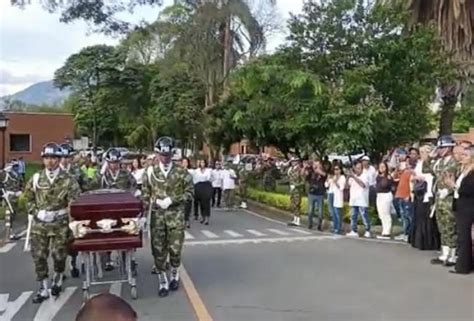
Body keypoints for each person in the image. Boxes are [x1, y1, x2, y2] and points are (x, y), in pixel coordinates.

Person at [23, 142, 81, 303]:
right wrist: (36, 212)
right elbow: (27, 199)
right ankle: (43, 287)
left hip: (60, 222)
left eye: (54, 158)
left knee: (59, 255)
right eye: (47, 158)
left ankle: (58, 277)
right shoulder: (36, 178)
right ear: (43, 160)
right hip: (40, 223)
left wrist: (71, 221)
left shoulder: (68, 179)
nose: (50, 161)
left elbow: (74, 201)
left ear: (59, 159)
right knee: (39, 256)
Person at [142, 136, 193, 297]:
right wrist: (142, 214)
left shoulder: (181, 172)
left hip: (175, 216)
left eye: (168, 155)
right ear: (157, 154)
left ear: (172, 155)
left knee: (175, 250)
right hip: (157, 216)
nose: (165, 158)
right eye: (162, 155)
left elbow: (190, 193)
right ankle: (163, 280)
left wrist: (173, 199)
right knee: (158, 251)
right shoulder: (150, 172)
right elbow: (145, 194)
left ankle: (174, 274)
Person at [94, 148, 136, 271]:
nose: (114, 165)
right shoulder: (102, 175)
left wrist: (130, 197)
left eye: (116, 162)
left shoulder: (125, 174)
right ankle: (107, 258)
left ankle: (128, 259)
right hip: (106, 210)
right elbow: (92, 187)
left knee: (125, 233)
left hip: (123, 209)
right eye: (111, 162)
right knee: (106, 233)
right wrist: (100, 174)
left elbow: (134, 187)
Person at [427, 136, 459, 266]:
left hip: (449, 198)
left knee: (451, 227)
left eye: (442, 148)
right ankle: (444, 253)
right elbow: (427, 169)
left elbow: (457, 180)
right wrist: (430, 157)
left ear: (449, 148)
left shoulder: (455, 162)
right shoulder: (439, 162)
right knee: (442, 226)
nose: (439, 150)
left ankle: (453, 255)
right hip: (439, 198)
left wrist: (449, 191)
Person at [60, 143, 88, 278]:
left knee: (73, 239)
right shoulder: (54, 172)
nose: (65, 160)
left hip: (75, 211)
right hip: (58, 212)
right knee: (59, 243)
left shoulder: (77, 171)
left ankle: (73, 263)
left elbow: (87, 185)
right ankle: (59, 270)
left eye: (68, 157)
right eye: (63, 157)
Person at [446, 146, 474, 274]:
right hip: (461, 205)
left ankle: (463, 266)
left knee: (464, 236)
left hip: (468, 207)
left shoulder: (472, 172)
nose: (462, 157)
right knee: (463, 236)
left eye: (466, 155)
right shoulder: (463, 170)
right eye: (462, 155)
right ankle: (465, 263)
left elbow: (468, 190)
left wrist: (453, 185)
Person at [410, 145, 440, 250]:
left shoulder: (432, 163)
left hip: (428, 193)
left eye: (423, 152)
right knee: (419, 216)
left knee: (426, 217)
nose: (421, 154)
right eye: (420, 152)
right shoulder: (419, 163)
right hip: (419, 192)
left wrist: (422, 178)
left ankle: (428, 242)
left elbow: (433, 176)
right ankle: (418, 240)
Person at [346, 161, 371, 238]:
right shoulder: (353, 176)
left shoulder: (365, 175)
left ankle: (367, 231)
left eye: (359, 168)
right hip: (354, 200)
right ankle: (354, 230)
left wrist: (354, 177)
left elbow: (363, 185)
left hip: (362, 200)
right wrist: (348, 177)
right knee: (353, 216)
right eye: (357, 168)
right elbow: (347, 186)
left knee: (364, 216)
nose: (358, 170)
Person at [0, 160, 22, 240]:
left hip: (15, 197)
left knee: (13, 215)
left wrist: (20, 190)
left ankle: (11, 232)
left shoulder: (16, 175)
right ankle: (8, 234)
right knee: (9, 215)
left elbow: (19, 184)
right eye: (14, 166)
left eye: (16, 166)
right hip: (8, 197)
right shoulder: (5, 174)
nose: (15, 168)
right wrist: (2, 193)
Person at [306, 160, 327, 231]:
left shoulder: (322, 172)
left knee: (320, 212)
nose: (315, 166)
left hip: (320, 194)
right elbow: (305, 176)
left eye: (317, 164)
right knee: (310, 210)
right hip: (311, 193)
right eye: (314, 164)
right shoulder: (311, 172)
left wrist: (319, 171)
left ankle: (319, 225)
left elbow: (325, 175)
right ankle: (310, 224)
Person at [375, 162, 394, 239]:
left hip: (386, 195)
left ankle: (387, 232)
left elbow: (384, 185)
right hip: (379, 195)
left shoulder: (388, 176)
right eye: (380, 166)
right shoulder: (378, 176)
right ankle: (384, 230)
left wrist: (386, 175)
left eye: (383, 166)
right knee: (381, 214)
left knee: (386, 213)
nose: (382, 168)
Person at [325, 164, 346, 234]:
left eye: (337, 169)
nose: (336, 171)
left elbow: (341, 188)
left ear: (340, 170)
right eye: (335, 169)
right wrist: (328, 179)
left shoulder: (342, 177)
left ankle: (338, 228)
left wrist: (335, 181)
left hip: (338, 196)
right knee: (332, 213)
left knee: (337, 213)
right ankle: (335, 227)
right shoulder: (333, 177)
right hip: (331, 194)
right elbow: (326, 185)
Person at [192, 159, 213, 225]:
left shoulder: (209, 170)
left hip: (206, 186)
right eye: (201, 162)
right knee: (201, 203)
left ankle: (207, 218)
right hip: (198, 186)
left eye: (203, 162)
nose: (202, 164)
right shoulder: (196, 171)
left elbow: (213, 178)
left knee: (206, 202)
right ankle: (203, 217)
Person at [287, 158, 305, 227]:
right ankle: (295, 219)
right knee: (293, 205)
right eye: (292, 161)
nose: (293, 163)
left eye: (294, 161)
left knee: (297, 205)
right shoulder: (291, 169)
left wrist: (296, 185)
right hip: (292, 190)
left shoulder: (300, 170)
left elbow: (303, 182)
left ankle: (298, 220)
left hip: (297, 191)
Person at [181, 157, 193, 228]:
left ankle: (187, 220)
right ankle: (182, 221)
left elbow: (191, 184)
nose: (185, 164)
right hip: (180, 193)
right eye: (183, 162)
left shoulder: (190, 173)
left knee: (187, 208)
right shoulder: (178, 172)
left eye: (186, 162)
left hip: (188, 192)